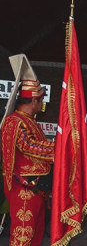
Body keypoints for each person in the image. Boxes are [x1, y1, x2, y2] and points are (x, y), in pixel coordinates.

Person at [1, 79, 55, 246]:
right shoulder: (14, 121)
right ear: (34, 101)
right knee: (22, 237)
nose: (42, 104)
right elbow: (27, 145)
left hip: (37, 190)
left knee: (36, 235)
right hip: (24, 189)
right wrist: (59, 149)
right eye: (41, 100)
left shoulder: (31, 122)